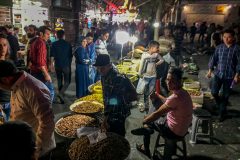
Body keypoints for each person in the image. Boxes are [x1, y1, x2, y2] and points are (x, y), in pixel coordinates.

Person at [132, 67, 193, 159]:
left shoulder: (175, 97)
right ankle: (149, 127)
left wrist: (145, 121)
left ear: (180, 81)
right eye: (168, 79)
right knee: (156, 105)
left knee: (149, 119)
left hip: (173, 131)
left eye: (173, 80)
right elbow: (168, 101)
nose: (169, 82)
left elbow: (157, 114)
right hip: (183, 128)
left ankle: (146, 145)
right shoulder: (183, 93)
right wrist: (157, 95)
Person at [0, 60, 56, 159]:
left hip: (38, 149)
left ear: (6, 80)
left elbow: (47, 123)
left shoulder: (33, 89)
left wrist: (36, 151)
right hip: (26, 145)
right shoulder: (16, 84)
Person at [93, 54, 137, 137]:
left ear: (109, 65)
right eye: (98, 68)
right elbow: (106, 94)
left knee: (117, 131)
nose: (100, 70)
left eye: (102, 68)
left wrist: (106, 118)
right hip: (110, 108)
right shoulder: (104, 75)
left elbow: (114, 101)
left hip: (119, 110)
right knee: (109, 129)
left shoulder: (118, 79)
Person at [206, 29, 240, 122]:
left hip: (230, 76)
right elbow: (213, 59)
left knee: (225, 96)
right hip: (218, 74)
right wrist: (209, 70)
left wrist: (237, 75)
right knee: (214, 92)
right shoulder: (219, 47)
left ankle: (222, 114)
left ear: (233, 38)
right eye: (224, 37)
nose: (226, 39)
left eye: (229, 37)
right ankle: (220, 106)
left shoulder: (237, 49)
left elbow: (239, 64)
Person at [29, 26, 54, 102]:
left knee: (39, 95)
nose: (49, 36)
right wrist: (46, 75)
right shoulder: (41, 43)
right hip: (40, 73)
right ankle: (47, 111)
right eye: (47, 34)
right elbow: (40, 63)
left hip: (34, 72)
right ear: (41, 33)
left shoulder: (34, 41)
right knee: (50, 93)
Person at [138, 41, 164, 113]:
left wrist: (156, 64)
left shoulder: (156, 54)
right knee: (144, 92)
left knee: (151, 92)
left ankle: (149, 106)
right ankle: (143, 105)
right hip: (145, 76)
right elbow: (141, 65)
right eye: (157, 48)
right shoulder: (144, 55)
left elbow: (162, 60)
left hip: (153, 76)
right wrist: (140, 74)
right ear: (152, 48)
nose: (158, 49)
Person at [51, 30, 72, 103]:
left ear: (57, 35)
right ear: (63, 35)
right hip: (66, 65)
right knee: (67, 81)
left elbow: (52, 56)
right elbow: (70, 56)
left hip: (57, 65)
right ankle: (61, 93)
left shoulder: (54, 44)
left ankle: (61, 97)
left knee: (59, 80)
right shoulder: (68, 44)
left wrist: (52, 65)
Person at [0, 34, 11, 121]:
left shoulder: (9, 64)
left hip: (10, 104)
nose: (2, 48)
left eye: (4, 45)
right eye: (0, 45)